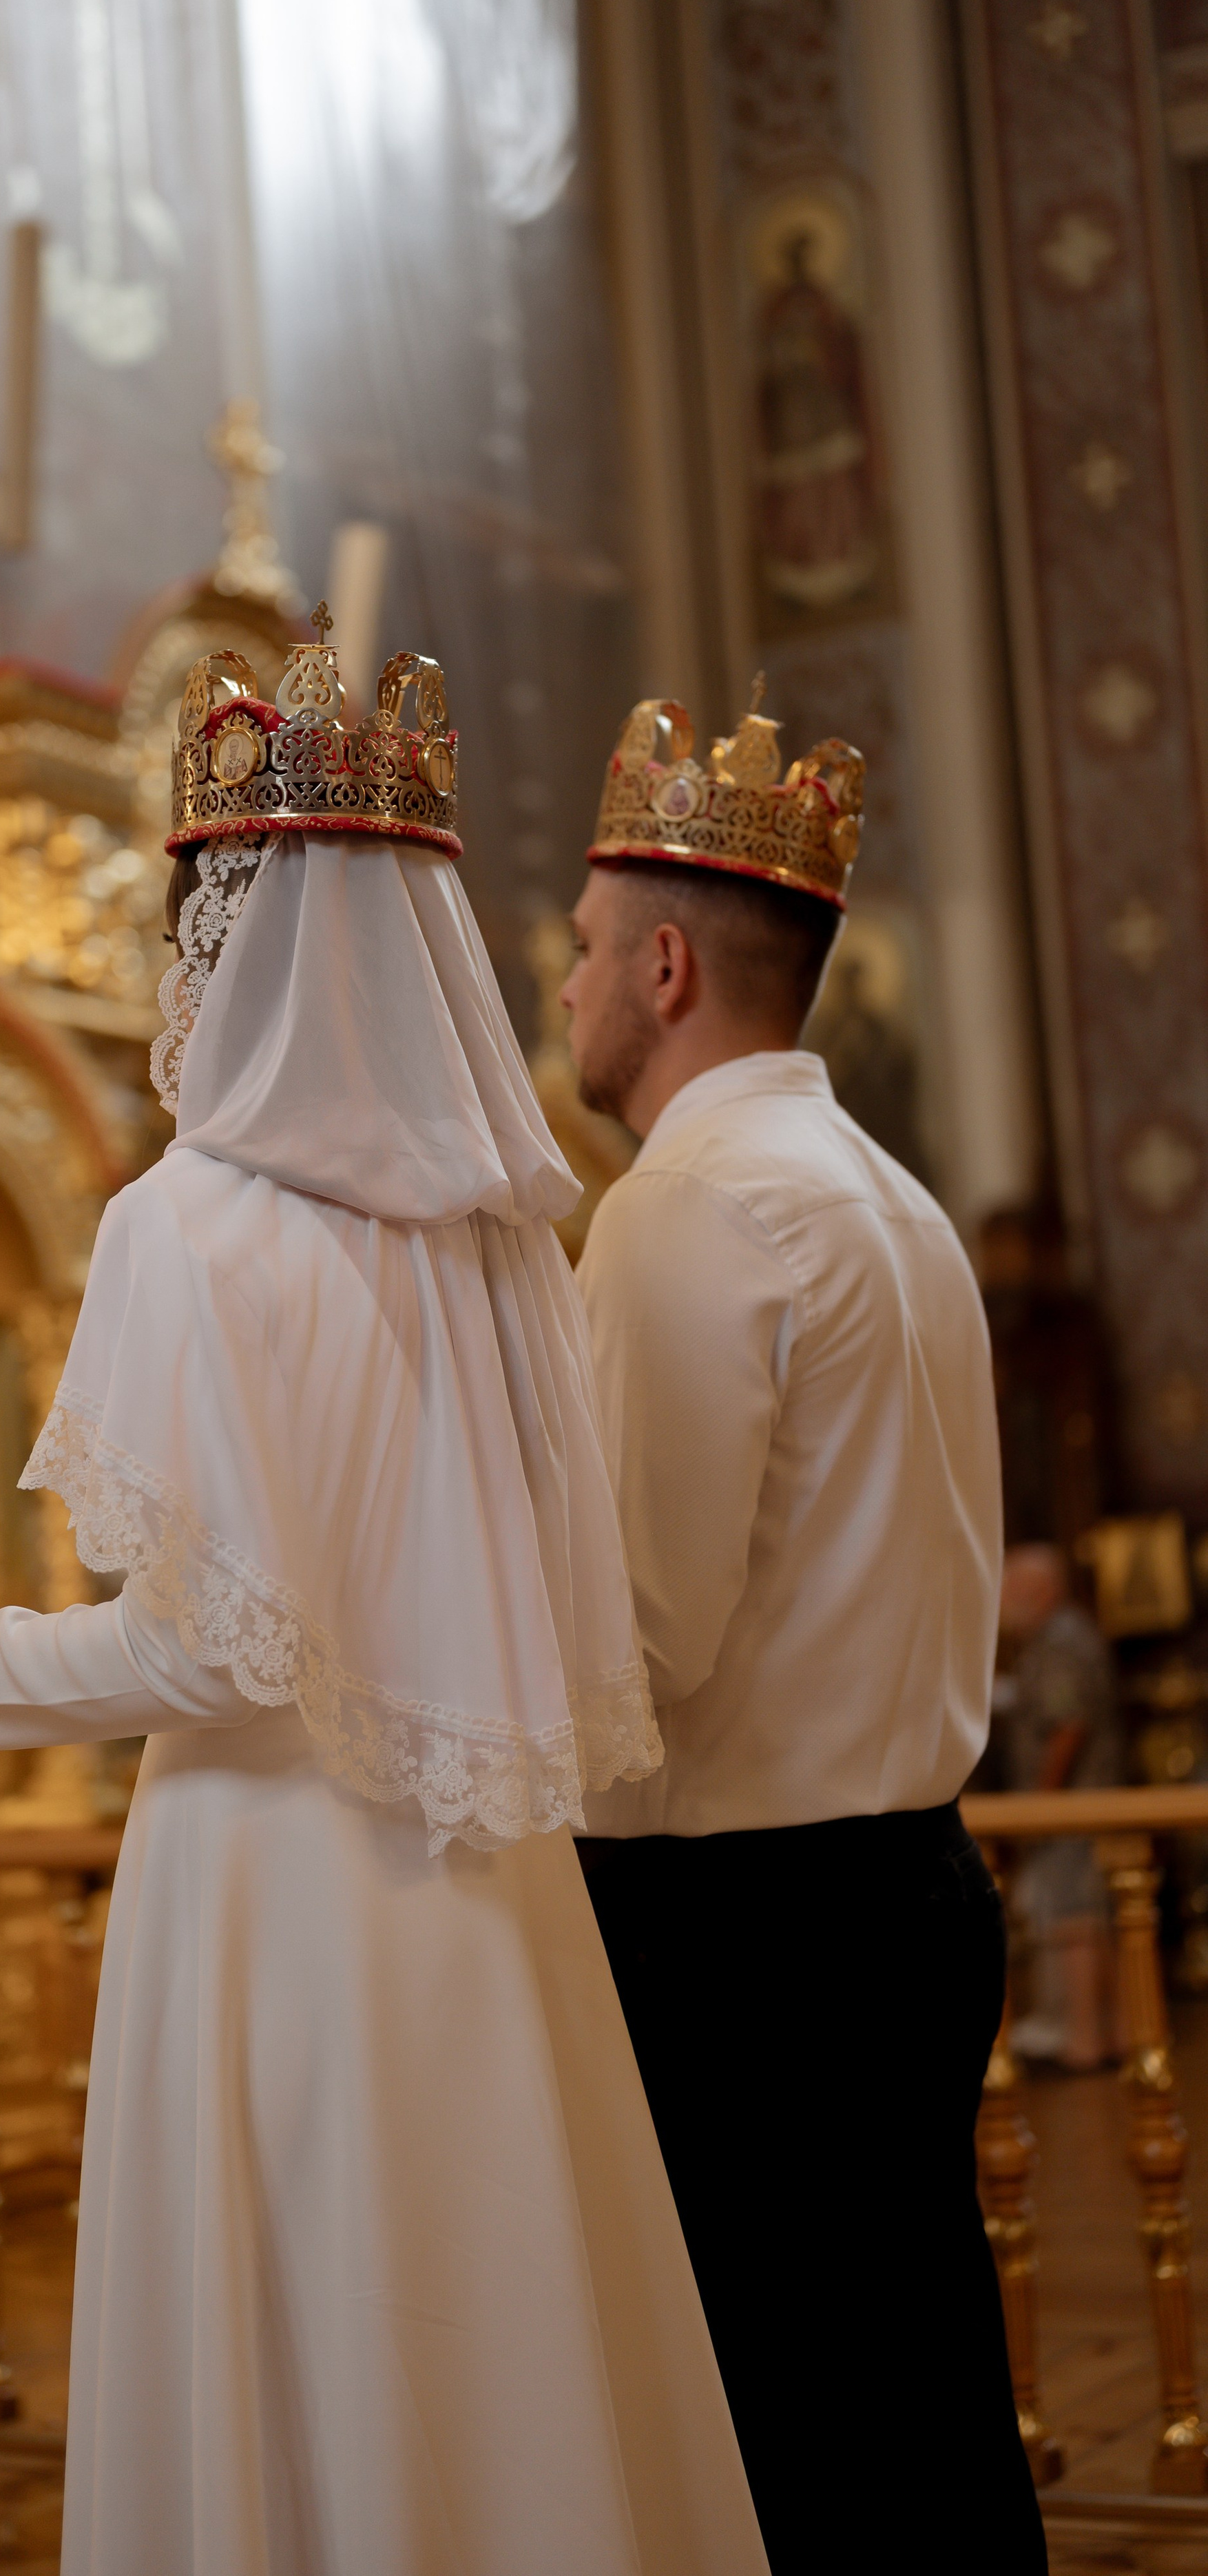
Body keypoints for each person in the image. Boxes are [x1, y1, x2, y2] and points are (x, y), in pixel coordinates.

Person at [0, 621, 769, 2576]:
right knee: (513, 2367)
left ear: (227, 937)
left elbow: (222, 1646)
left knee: (302, 2386)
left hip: (268, 1903)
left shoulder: (186, 1224)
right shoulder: (485, 1249)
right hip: (488, 1896)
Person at [561, 691, 1046, 2573]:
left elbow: (636, 1648)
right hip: (909, 1891)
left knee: (782, 2466)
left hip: (748, 1942)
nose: (575, 985)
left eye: (590, 951)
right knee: (924, 2437)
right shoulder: (899, 1205)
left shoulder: (687, 1208)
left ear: (669, 963)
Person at [1000, 1542, 1123, 2072]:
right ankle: (1114, 2034)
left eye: (1008, 1587)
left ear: (1040, 1591)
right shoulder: (1061, 1636)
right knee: (1089, 1920)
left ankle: (1084, 2042)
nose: (1000, 1598)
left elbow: (1068, 1726)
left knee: (1073, 1922)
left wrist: (1040, 1806)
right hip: (1083, 1804)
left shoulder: (1060, 1641)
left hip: (1072, 1806)